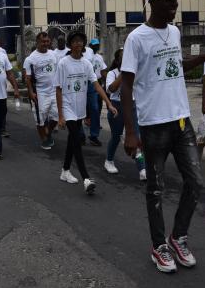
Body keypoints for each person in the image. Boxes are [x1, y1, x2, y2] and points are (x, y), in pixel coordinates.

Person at [120, 0, 205, 273]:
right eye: (168, 0)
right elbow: (126, 87)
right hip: (153, 125)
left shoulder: (175, 32)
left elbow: (177, 65)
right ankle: (158, 247)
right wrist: (130, 130)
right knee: (155, 189)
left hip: (181, 121)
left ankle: (177, 237)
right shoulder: (137, 39)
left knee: (196, 182)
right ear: (152, 3)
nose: (174, 5)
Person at [56, 31, 116, 194]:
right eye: (74, 41)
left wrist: (109, 104)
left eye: (80, 41)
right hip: (68, 107)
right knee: (76, 139)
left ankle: (65, 171)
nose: (78, 44)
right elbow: (59, 89)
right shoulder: (63, 63)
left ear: (83, 44)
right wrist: (61, 115)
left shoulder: (86, 64)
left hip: (80, 107)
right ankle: (86, 178)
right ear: (70, 44)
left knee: (72, 140)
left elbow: (97, 86)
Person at [104, 48, 147, 180]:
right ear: (118, 61)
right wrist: (123, 72)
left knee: (137, 137)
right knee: (116, 136)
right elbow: (111, 89)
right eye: (123, 57)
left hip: (132, 106)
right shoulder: (112, 73)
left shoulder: (135, 72)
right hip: (116, 107)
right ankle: (109, 161)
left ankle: (142, 169)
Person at [23, 31, 59, 150]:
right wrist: (31, 92)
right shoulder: (31, 59)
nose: (45, 43)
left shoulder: (54, 54)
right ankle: (44, 139)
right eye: (43, 41)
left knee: (56, 115)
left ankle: (47, 132)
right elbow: (27, 78)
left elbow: (58, 71)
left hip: (54, 91)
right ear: (37, 42)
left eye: (47, 41)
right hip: (40, 92)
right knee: (40, 117)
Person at [85, 38, 108, 146]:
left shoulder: (99, 57)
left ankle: (94, 135)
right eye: (94, 45)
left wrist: (106, 83)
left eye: (97, 45)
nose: (96, 47)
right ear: (90, 45)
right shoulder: (85, 54)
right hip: (85, 82)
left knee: (95, 108)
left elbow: (103, 71)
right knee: (82, 108)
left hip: (96, 83)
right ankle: (80, 135)